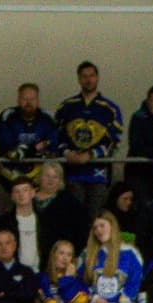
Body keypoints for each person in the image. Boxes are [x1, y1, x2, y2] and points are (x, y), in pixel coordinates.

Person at [55, 62, 124, 216]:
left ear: (97, 78)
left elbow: (115, 140)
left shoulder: (110, 108)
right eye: (84, 76)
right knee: (74, 216)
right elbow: (57, 137)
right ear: (79, 79)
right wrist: (67, 153)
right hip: (72, 171)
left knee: (95, 217)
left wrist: (91, 154)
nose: (88, 80)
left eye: (92, 76)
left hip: (98, 172)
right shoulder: (66, 106)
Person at [82, 210, 145, 303]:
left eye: (102, 225)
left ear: (112, 225)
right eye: (95, 228)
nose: (98, 231)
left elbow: (134, 286)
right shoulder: (87, 254)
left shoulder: (131, 253)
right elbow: (80, 284)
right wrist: (95, 300)